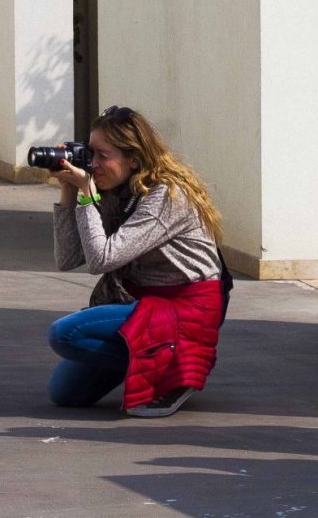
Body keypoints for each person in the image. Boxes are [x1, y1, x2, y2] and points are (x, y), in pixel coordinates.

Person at [47, 105, 228, 418]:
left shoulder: (166, 195)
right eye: (90, 154)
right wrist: (68, 190)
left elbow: (102, 259)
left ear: (133, 158)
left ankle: (178, 365)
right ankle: (157, 364)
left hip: (186, 307)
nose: (93, 164)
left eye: (103, 155)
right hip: (143, 300)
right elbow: (67, 260)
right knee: (65, 394)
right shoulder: (116, 188)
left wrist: (87, 193)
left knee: (65, 334)